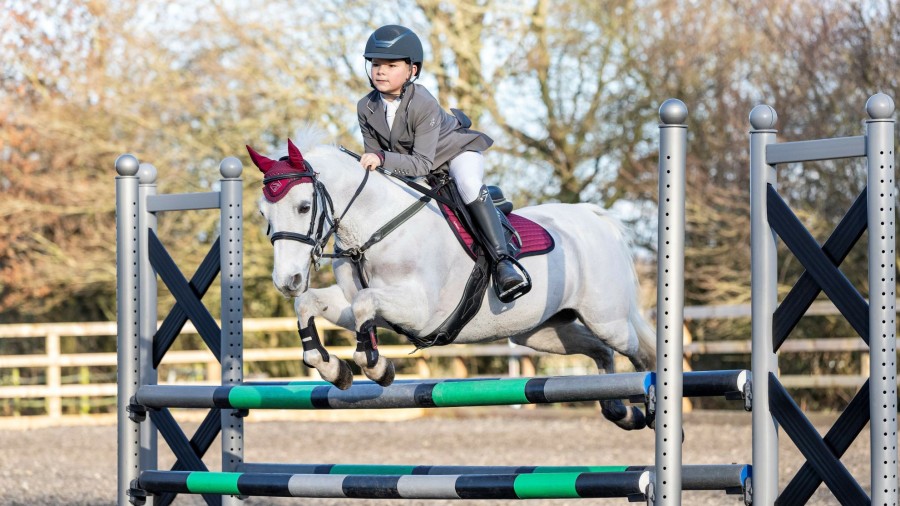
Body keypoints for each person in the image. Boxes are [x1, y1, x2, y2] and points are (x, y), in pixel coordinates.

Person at [356, 24, 530, 303]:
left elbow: (421, 163)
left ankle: (503, 262)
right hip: (415, 164)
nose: (381, 71)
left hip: (455, 153)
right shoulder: (365, 106)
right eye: (375, 64)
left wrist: (382, 159)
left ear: (412, 70)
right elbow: (377, 163)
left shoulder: (422, 101)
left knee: (469, 184)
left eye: (390, 65)